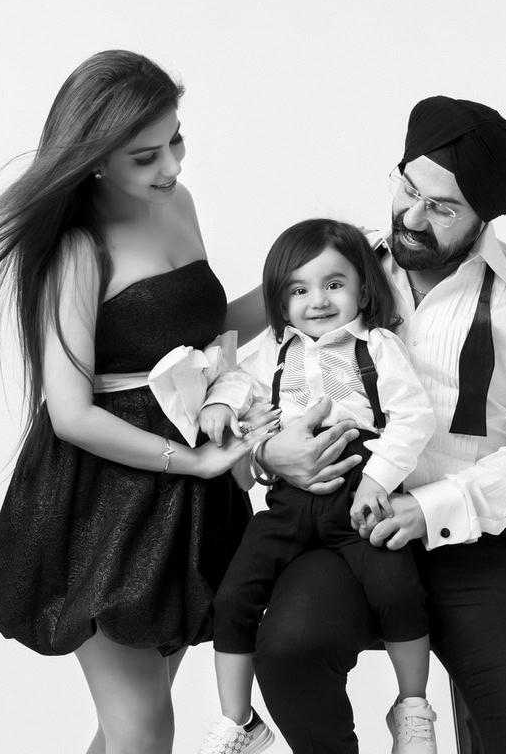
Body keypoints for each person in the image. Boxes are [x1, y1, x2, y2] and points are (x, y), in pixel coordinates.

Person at [0, 50, 274, 754]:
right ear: (93, 160)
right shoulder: (77, 250)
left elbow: (200, 340)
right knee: (143, 728)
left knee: (132, 725)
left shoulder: (178, 203)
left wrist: (305, 278)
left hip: (186, 494)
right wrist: (196, 464)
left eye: (176, 140)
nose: (172, 167)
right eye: (145, 156)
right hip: (107, 501)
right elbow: (72, 414)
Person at [251, 97, 506, 753]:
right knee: (284, 649)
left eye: (442, 208)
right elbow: (263, 377)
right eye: (408, 188)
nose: (411, 216)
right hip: (345, 529)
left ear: (483, 216)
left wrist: (429, 511)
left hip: (470, 538)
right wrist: (267, 447)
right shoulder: (335, 270)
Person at [192, 219, 440, 754]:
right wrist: (220, 404)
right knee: (233, 595)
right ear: (280, 301)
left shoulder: (378, 347)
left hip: (358, 495)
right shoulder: (275, 351)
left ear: (363, 287)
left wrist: (376, 479)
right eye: (298, 289)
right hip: (288, 504)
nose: (318, 300)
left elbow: (414, 417)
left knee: (398, 587)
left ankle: (413, 707)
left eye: (334, 284)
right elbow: (236, 380)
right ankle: (239, 721)